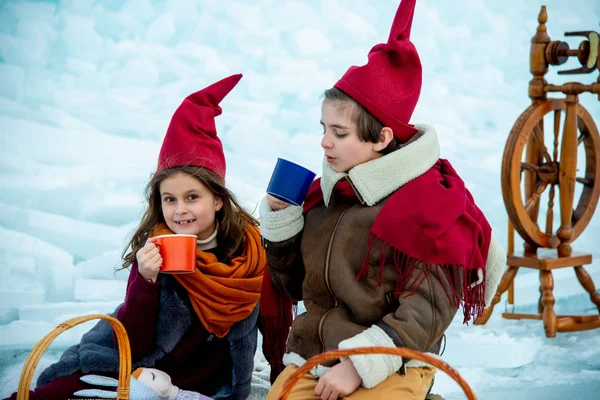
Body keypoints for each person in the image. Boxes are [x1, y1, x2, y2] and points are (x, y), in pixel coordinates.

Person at [259, 1, 506, 399]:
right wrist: (282, 226)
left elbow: (427, 310)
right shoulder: (323, 201)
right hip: (314, 357)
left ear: (382, 138)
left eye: (339, 133)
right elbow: (294, 288)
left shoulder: (428, 206)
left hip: (392, 358)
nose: (324, 143)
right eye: (323, 128)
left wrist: (359, 365)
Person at [7, 74, 265, 400]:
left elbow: (272, 320)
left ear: (217, 199)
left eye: (192, 197)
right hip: (127, 363)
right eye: (169, 199)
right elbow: (132, 344)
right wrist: (146, 281)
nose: (179, 210)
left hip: (193, 386)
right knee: (52, 395)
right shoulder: (156, 247)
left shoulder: (248, 257)